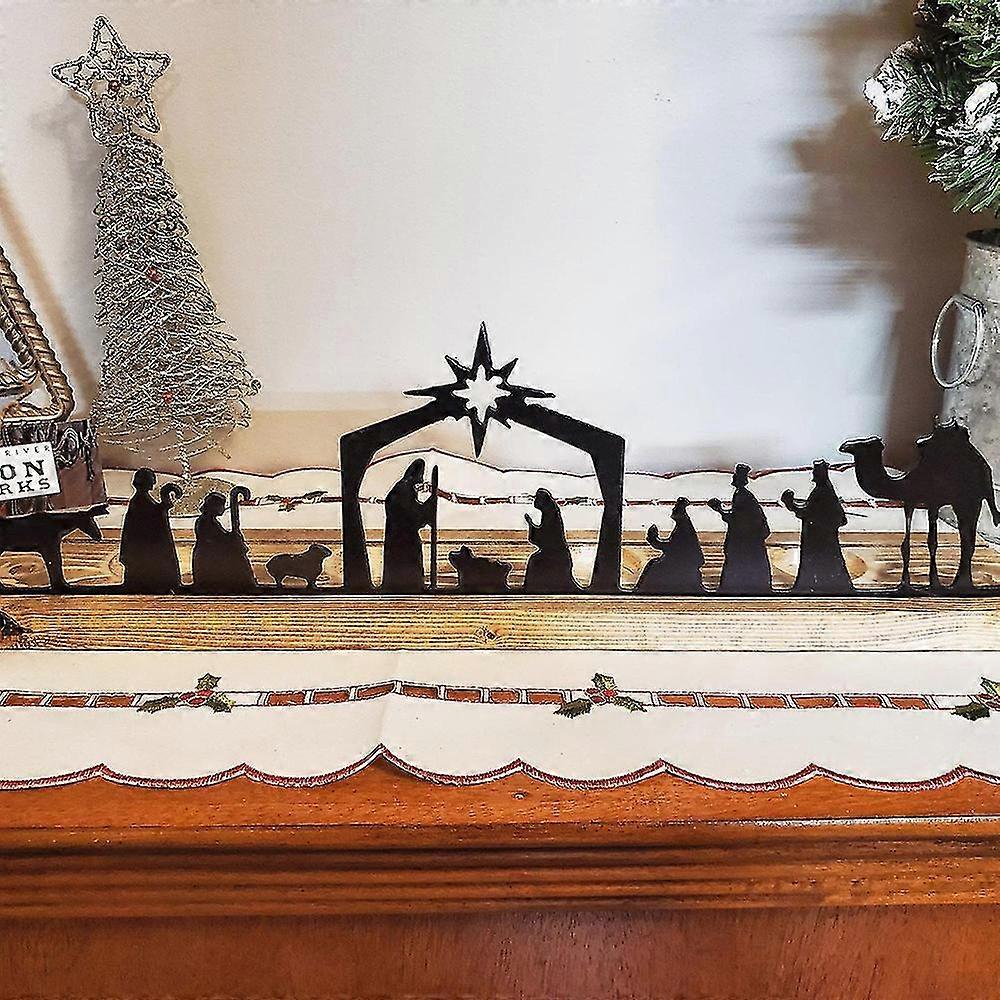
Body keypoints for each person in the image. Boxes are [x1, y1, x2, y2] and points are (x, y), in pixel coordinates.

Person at [782, 460, 853, 595]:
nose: (813, 476)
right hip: (819, 539)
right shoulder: (822, 491)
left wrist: (791, 504)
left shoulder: (823, 492)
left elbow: (809, 512)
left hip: (820, 540)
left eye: (815, 473)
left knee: (822, 563)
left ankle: (823, 586)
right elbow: (810, 510)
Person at [709, 464, 772, 595]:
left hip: (745, 541)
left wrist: (719, 509)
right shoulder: (742, 495)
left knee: (740, 563)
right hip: (746, 540)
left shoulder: (743, 496)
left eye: (736, 476)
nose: (733, 478)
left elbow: (738, 520)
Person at [119, 468, 181, 594]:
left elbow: (152, 515)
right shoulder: (139, 500)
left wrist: (163, 506)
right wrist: (163, 506)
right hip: (142, 548)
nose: (153, 483)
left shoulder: (142, 499)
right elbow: (149, 518)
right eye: (152, 480)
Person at [382, 459, 435, 593]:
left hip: (396, 538)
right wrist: (430, 502)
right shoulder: (404, 490)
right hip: (405, 539)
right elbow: (415, 516)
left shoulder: (400, 489)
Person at [191, 489, 257, 594]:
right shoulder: (204, 521)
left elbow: (221, 537)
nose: (223, 508)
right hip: (209, 559)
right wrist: (231, 539)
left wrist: (233, 537)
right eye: (221, 505)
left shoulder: (211, 521)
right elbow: (214, 540)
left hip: (214, 556)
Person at [635, 497, 705, 594]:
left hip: (681, 563)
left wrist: (654, 540)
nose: (673, 510)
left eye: (675, 508)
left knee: (655, 567)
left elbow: (673, 547)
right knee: (653, 563)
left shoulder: (684, 527)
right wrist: (655, 540)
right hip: (678, 560)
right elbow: (673, 546)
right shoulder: (682, 526)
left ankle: (648, 590)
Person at [523, 488, 577, 593]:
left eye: (536, 499)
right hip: (555, 553)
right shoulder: (550, 512)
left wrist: (531, 525)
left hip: (556, 555)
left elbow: (544, 538)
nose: (535, 502)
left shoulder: (551, 514)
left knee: (535, 561)